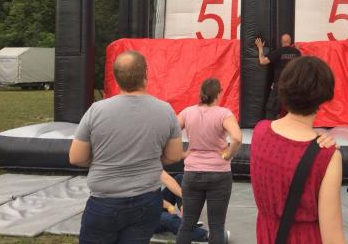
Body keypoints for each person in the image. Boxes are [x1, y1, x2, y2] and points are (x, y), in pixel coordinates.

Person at [69, 50, 183, 244]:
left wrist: (102, 161)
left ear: (116, 77)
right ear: (146, 74)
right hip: (146, 201)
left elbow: (76, 157)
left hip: (105, 202)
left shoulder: (96, 111)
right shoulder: (166, 110)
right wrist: (148, 159)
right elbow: (174, 156)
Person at [250, 56, 346, 244]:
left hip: (267, 235)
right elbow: (332, 238)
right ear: (323, 97)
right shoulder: (327, 157)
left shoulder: (260, 131)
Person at [175, 78, 242, 244]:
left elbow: (170, 131)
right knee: (217, 226)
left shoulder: (187, 112)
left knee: (187, 224)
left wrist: (181, 153)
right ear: (218, 93)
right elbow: (237, 138)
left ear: (201, 93)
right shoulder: (224, 114)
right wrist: (228, 154)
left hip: (192, 172)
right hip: (219, 174)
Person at [255, 33, 301, 120]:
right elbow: (301, 64)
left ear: (281, 42)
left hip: (279, 84)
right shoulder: (297, 52)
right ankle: (294, 126)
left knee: (271, 107)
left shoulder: (278, 52)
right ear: (290, 41)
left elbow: (262, 61)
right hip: (293, 85)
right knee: (294, 107)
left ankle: (269, 126)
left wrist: (260, 48)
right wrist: (297, 50)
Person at [156, 170, 209, 242]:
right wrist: (168, 206)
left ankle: (186, 219)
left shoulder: (149, 163)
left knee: (180, 178)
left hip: (155, 205)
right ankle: (206, 235)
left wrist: (185, 200)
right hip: (142, 214)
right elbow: (145, 199)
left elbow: (167, 179)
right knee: (169, 219)